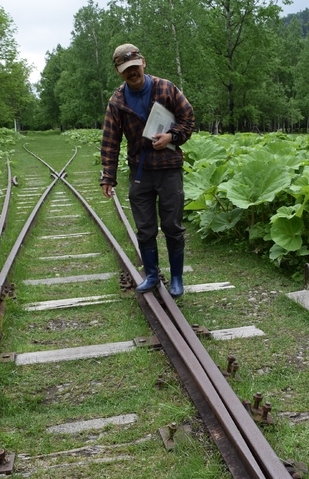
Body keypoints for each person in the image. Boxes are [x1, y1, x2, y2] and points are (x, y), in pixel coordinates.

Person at [100, 43, 195, 298]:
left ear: (143, 63)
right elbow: (110, 141)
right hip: (140, 172)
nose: (132, 72)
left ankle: (176, 278)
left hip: (169, 169)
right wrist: (108, 176)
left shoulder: (166, 88)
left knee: (173, 225)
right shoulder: (117, 101)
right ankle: (152, 275)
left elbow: (188, 118)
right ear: (119, 72)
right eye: (125, 69)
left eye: (134, 66)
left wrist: (172, 137)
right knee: (144, 227)